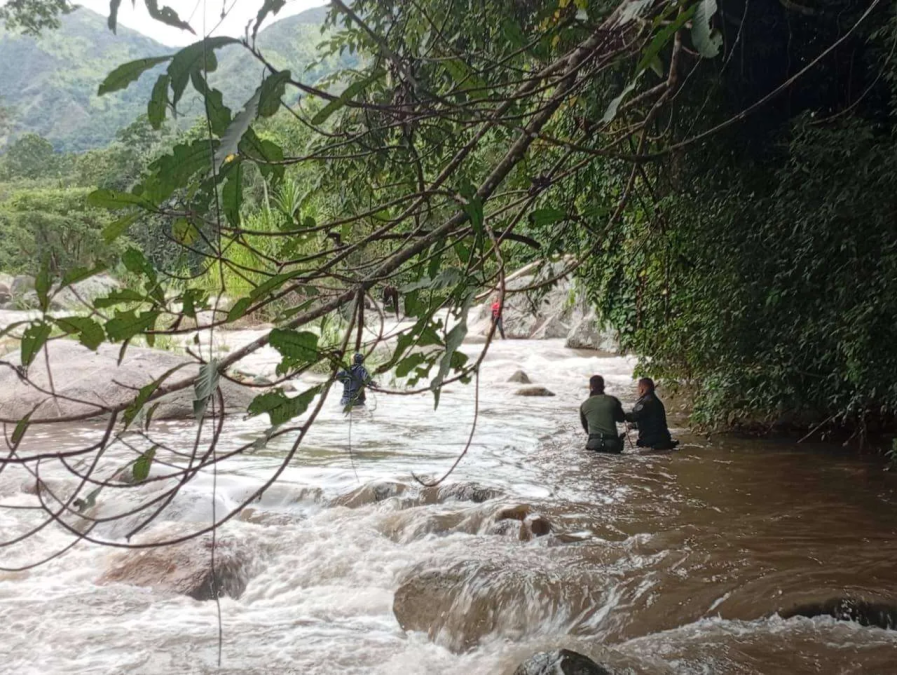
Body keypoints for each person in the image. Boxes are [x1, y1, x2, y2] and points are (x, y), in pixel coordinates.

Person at [625, 377, 678, 450]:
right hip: (664, 440)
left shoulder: (644, 403)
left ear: (641, 389)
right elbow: (651, 421)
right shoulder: (657, 402)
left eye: (637, 388)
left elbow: (634, 416)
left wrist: (621, 414)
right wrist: (633, 426)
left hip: (652, 444)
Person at [579, 375, 626, 453]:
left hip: (593, 444)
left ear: (590, 387)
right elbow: (621, 419)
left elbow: (586, 429)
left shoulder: (584, 405)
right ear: (603, 387)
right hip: (612, 443)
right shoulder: (613, 400)